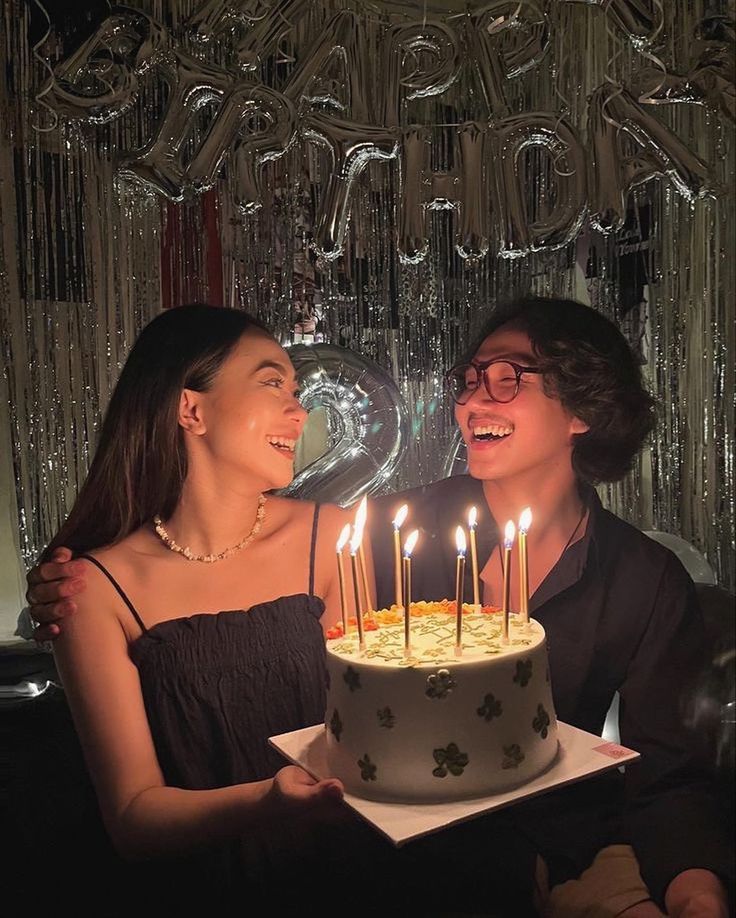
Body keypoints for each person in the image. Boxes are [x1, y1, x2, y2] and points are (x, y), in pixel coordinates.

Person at [26, 297, 733, 916]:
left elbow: (668, 778)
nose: (471, 399)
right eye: (468, 379)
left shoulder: (644, 581)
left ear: (583, 407)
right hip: (409, 856)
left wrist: (694, 892)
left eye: (507, 378)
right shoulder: (389, 539)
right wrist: (70, 577)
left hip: (560, 842)